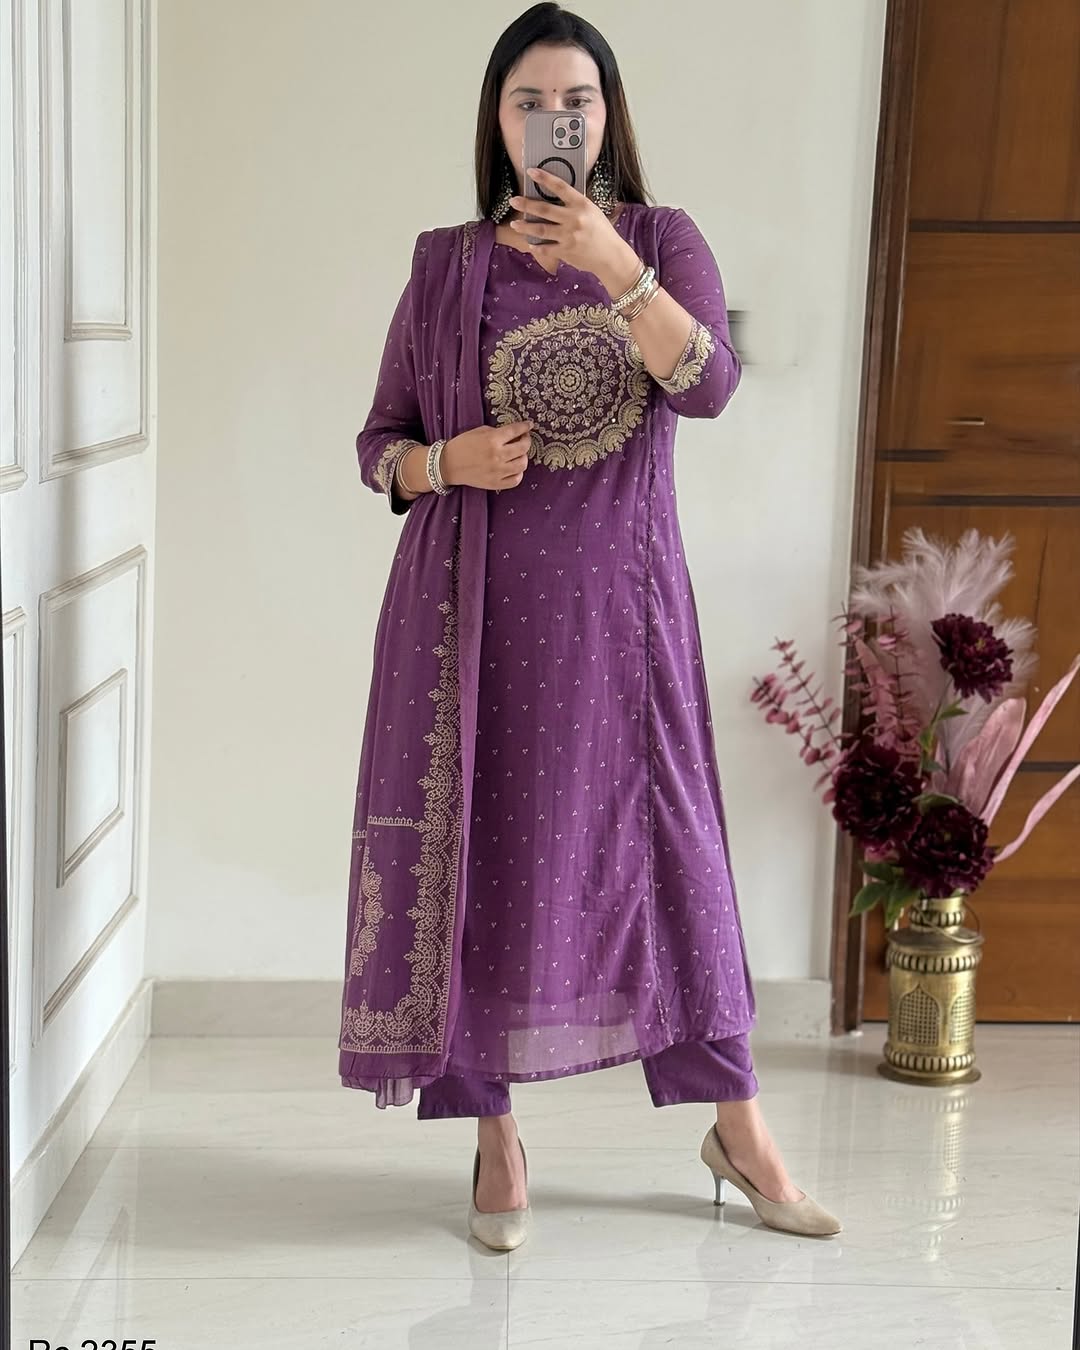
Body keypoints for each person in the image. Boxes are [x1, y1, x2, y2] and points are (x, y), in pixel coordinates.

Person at [337, 2, 842, 1250]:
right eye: (529, 102)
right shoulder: (447, 266)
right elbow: (379, 444)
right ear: (497, 122)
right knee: (478, 858)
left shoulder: (662, 241)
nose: (553, 121)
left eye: (577, 101)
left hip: (624, 621)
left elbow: (709, 386)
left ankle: (738, 1127)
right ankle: (494, 1138)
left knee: (678, 867)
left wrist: (617, 266)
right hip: (472, 623)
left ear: (608, 117)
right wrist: (444, 461)